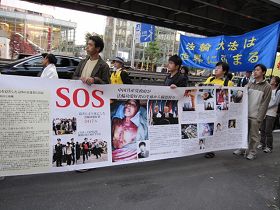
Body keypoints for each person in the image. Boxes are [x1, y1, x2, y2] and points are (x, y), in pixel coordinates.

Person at [233, 64, 272, 160]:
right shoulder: (250, 83)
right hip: (246, 113)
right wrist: (238, 93)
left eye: (257, 70)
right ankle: (242, 149)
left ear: (263, 72)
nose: (255, 72)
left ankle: (252, 152)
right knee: (244, 133)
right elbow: (240, 95)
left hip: (256, 115)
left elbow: (265, 103)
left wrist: (260, 117)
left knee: (254, 136)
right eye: (254, 70)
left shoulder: (267, 87)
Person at [204, 62, 233, 158]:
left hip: (219, 110)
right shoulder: (210, 79)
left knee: (215, 129)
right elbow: (202, 90)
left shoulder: (228, 83)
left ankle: (211, 150)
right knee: (207, 127)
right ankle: (206, 147)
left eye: (219, 68)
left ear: (224, 71)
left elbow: (230, 97)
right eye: (216, 67)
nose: (216, 69)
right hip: (208, 109)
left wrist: (222, 91)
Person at [258, 76, 280, 153]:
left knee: (268, 130)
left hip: (272, 113)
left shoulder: (278, 91)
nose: (271, 80)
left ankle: (269, 146)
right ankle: (262, 143)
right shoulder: (268, 89)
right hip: (264, 112)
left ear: (276, 82)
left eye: (273, 80)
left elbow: (276, 103)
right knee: (262, 129)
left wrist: (266, 107)